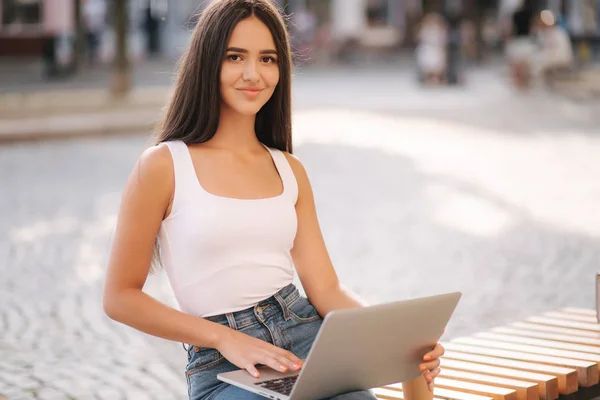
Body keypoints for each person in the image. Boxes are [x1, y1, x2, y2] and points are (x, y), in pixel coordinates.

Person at [102, 1, 444, 399]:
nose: (253, 74)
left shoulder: (289, 170)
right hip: (223, 365)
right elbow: (120, 296)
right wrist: (225, 338)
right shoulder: (163, 166)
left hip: (309, 343)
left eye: (268, 58)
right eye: (235, 57)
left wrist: (398, 343)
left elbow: (327, 288)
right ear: (207, 63)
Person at [415, 12, 448, 85]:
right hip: (428, 50)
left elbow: (442, 42)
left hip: (436, 50)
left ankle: (436, 78)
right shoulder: (425, 30)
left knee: (437, 65)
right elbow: (420, 39)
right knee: (428, 65)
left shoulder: (440, 30)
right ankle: (428, 78)